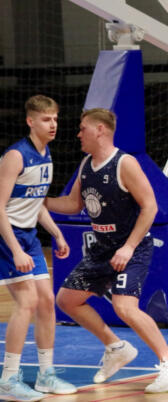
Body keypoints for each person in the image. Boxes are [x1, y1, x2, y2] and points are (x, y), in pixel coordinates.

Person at [44, 108, 168, 393]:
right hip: (102, 249)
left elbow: (150, 207)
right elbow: (73, 204)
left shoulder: (125, 163)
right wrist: (41, 201)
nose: (78, 134)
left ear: (100, 129)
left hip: (131, 247)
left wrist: (129, 247)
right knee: (67, 300)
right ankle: (116, 347)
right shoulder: (86, 164)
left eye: (83, 128)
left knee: (124, 307)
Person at [0, 95, 77, 401]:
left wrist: (57, 234)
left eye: (55, 118)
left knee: (46, 302)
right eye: (46, 119)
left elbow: (35, 203)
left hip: (30, 236)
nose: (53, 124)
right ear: (30, 121)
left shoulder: (46, 155)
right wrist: (16, 250)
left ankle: (46, 375)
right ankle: (8, 380)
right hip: (8, 236)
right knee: (27, 302)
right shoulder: (16, 156)